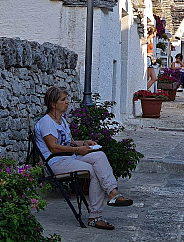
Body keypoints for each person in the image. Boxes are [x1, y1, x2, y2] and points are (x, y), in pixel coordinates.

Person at [35, 87, 133, 230]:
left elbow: (70, 142)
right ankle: (95, 216)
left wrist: (85, 142)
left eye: (67, 99)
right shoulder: (46, 122)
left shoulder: (61, 121)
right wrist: (77, 149)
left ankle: (113, 193)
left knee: (99, 156)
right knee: (93, 171)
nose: (67, 102)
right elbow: (53, 148)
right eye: (63, 100)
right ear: (53, 104)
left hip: (68, 159)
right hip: (54, 162)